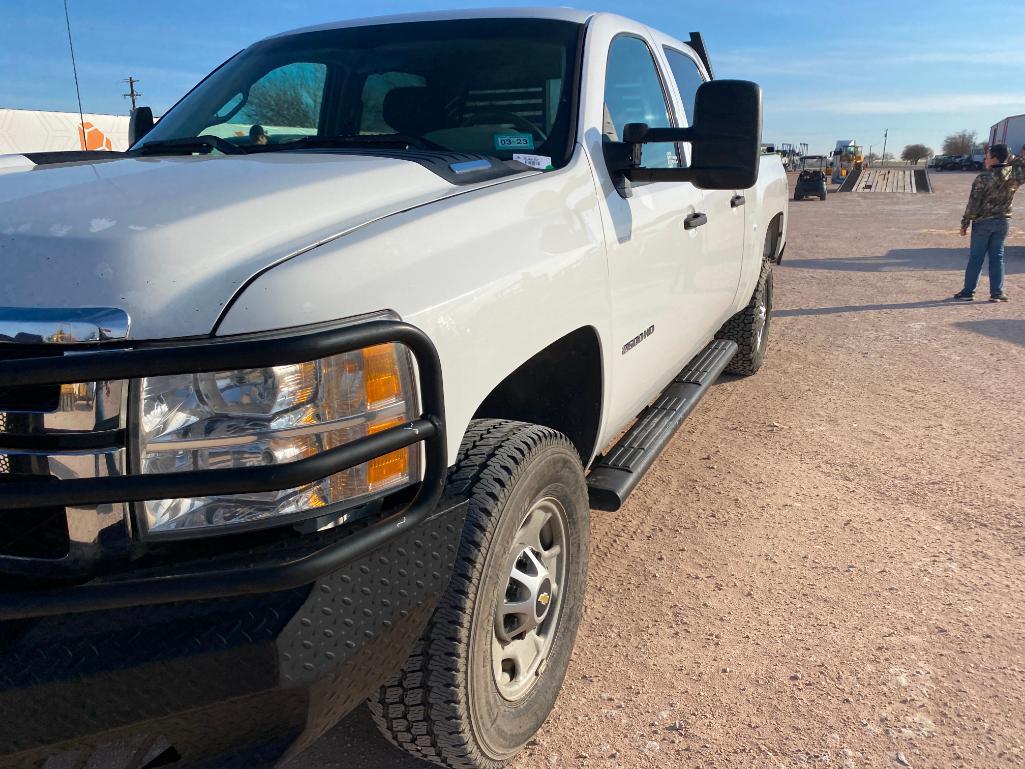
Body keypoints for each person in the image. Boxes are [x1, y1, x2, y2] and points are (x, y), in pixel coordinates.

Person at [953, 143, 1025, 302]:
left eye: (987, 156)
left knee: (976, 258)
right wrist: (1012, 157)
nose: (985, 159)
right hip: (1003, 222)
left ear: (994, 159)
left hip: (983, 222)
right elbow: (1023, 165)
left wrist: (965, 223)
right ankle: (997, 293)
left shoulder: (983, 178)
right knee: (997, 257)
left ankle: (968, 292)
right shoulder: (1014, 176)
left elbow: (973, 204)